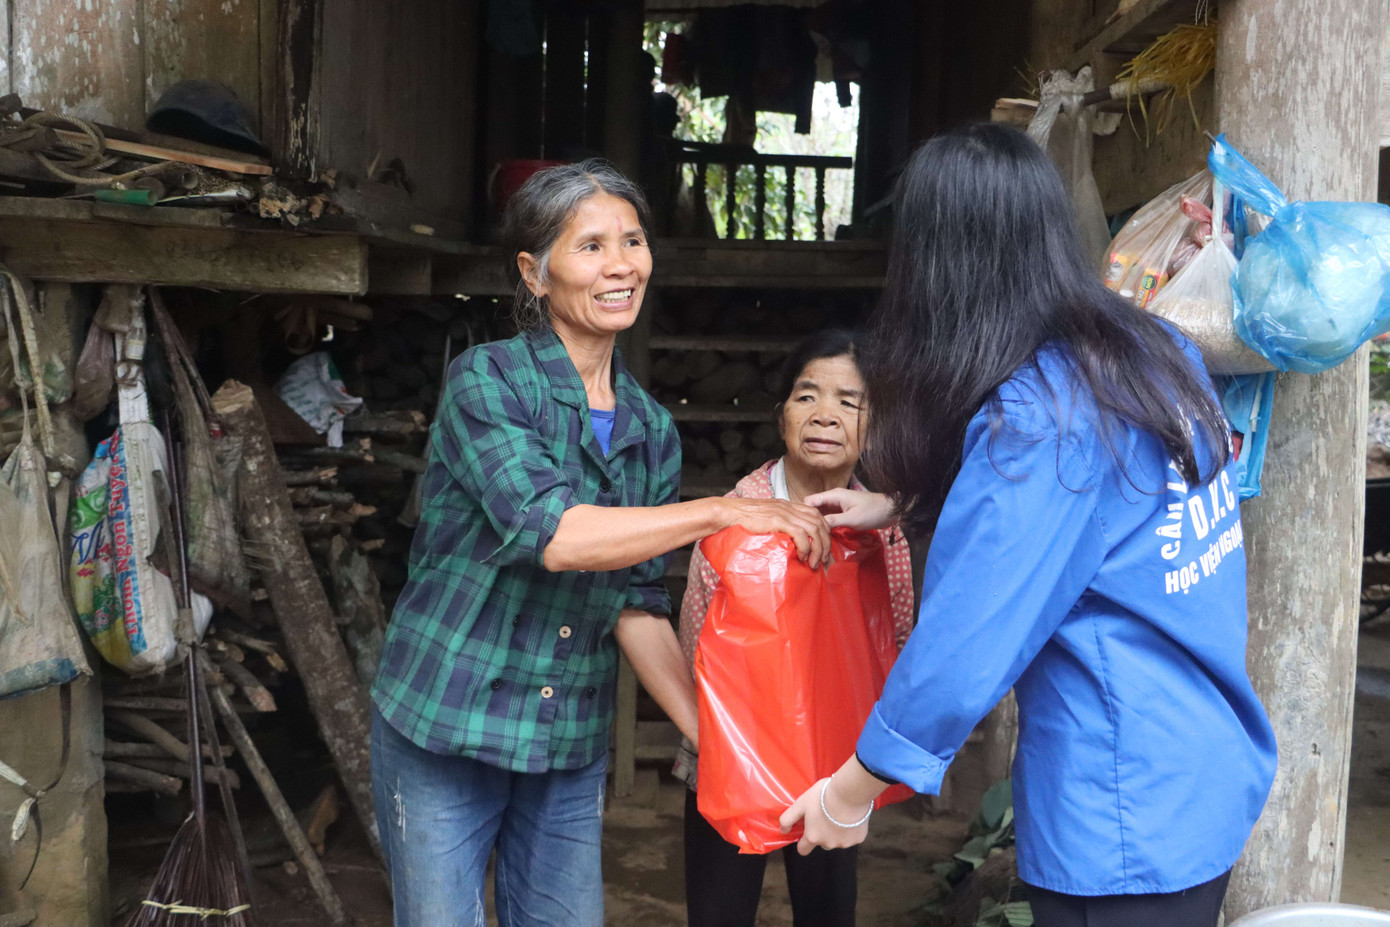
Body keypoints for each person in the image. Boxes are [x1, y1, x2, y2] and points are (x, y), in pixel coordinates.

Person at [779, 124, 1278, 927]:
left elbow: (966, 635)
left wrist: (851, 790)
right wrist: (903, 505)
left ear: (938, 261)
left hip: (1123, 800)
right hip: (1200, 760)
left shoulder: (1043, 420)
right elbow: (1097, 515)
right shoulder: (1148, 348)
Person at [369, 159, 832, 927]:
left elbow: (637, 605)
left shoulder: (650, 429)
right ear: (534, 272)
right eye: (590, 247)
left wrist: (722, 741)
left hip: (563, 738)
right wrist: (720, 512)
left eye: (633, 241)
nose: (621, 264)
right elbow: (553, 533)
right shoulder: (487, 383)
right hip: (446, 725)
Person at [672, 329, 916, 927]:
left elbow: (899, 643)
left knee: (828, 912)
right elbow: (692, 647)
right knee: (719, 911)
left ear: (872, 423)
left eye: (848, 402)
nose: (825, 415)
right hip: (729, 758)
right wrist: (723, 746)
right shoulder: (733, 520)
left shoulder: (886, 528)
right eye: (806, 396)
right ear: (781, 416)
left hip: (836, 768)